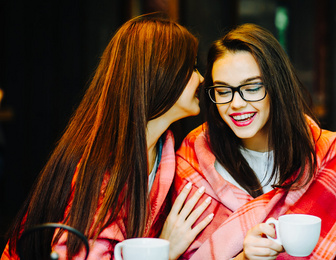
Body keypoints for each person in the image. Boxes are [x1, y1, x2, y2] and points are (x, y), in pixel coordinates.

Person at [1, 14, 213, 260]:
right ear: (161, 74)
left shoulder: (164, 149)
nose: (201, 78)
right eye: (192, 67)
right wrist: (162, 249)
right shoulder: (98, 169)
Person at [174, 24, 336, 259]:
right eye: (223, 91)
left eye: (252, 86)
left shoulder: (330, 155)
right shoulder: (195, 157)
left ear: (277, 85)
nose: (236, 103)